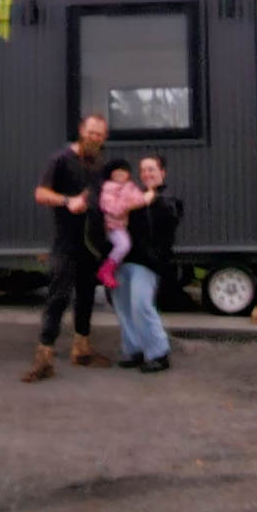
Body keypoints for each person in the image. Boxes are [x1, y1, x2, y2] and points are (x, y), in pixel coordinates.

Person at [24, 114, 114, 382]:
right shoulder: (61, 159)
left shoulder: (100, 164)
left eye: (100, 134)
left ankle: (81, 350)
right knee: (58, 297)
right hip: (66, 243)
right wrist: (67, 201)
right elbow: (40, 193)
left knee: (86, 295)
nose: (95, 138)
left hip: (92, 244)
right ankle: (44, 359)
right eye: (92, 132)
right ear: (81, 131)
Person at [110, 153, 183, 374]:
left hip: (148, 263)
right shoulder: (135, 196)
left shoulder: (169, 199)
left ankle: (159, 353)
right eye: (143, 170)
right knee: (124, 307)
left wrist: (153, 198)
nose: (147, 174)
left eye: (151, 169)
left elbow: (170, 217)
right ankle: (134, 350)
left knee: (141, 305)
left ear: (162, 172)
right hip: (124, 261)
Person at [97, 159, 155, 290]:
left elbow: (139, 198)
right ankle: (106, 270)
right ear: (111, 175)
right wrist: (135, 203)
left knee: (124, 246)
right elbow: (113, 209)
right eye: (116, 173)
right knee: (123, 245)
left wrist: (146, 196)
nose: (120, 175)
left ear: (128, 174)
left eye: (123, 172)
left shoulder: (130, 186)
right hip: (111, 226)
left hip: (121, 225)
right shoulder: (108, 188)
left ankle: (112, 271)